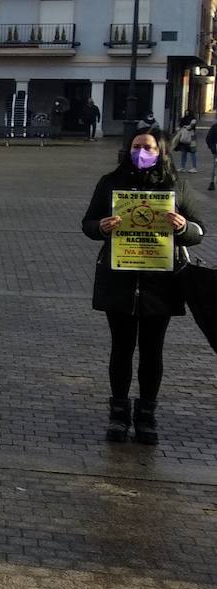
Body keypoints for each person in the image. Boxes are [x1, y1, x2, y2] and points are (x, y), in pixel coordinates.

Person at [82, 127, 203, 445]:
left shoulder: (176, 185)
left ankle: (147, 414)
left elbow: (200, 231)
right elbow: (88, 224)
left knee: (152, 351)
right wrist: (102, 227)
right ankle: (119, 413)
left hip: (160, 283)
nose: (141, 152)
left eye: (148, 147)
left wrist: (183, 226)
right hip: (119, 280)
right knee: (121, 349)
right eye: (136, 146)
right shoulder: (110, 183)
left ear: (161, 150)